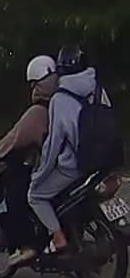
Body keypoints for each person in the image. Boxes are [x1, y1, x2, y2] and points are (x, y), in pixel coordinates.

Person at [23, 44, 109, 264]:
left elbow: (53, 145)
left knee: (35, 195)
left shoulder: (60, 99)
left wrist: (40, 174)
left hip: (77, 166)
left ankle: (58, 238)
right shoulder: (97, 88)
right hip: (107, 159)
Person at [0, 55, 58, 265]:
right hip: (79, 163)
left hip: (54, 167)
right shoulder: (67, 102)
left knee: (17, 191)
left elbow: (14, 138)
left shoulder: (38, 112)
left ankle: (28, 245)